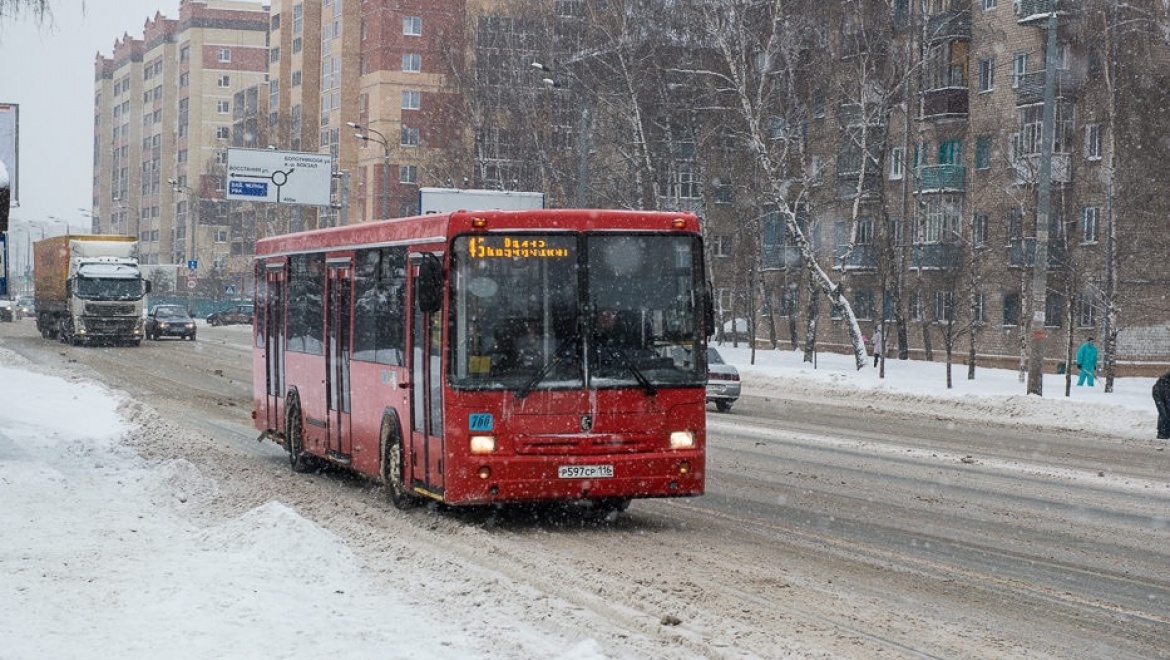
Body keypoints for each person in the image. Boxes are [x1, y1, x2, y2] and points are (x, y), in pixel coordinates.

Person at [1153, 371, 1170, 440]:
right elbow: (1167, 398)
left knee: (1166, 412)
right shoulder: (1165, 381)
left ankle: (1166, 432)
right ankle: (1162, 433)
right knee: (1163, 413)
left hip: (1165, 392)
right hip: (1158, 393)